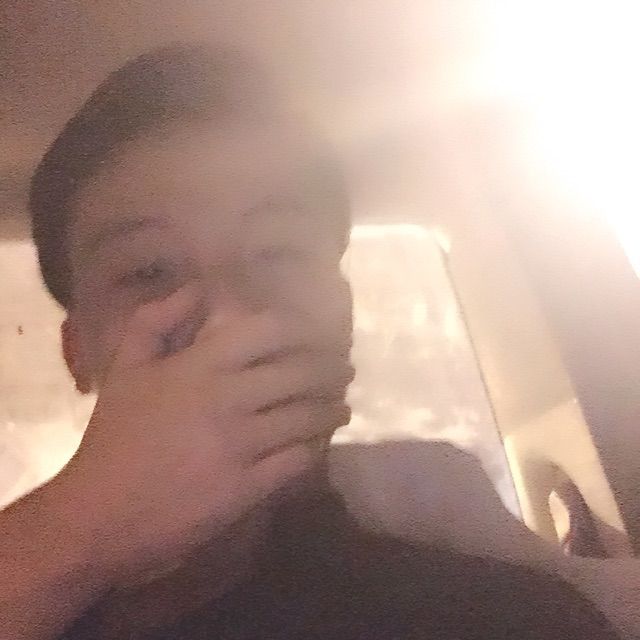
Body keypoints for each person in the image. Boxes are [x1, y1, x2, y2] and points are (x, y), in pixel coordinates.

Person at [0, 43, 620, 640]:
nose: (231, 317)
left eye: (276, 253)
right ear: (76, 353)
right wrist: (75, 527)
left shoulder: (513, 619)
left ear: (341, 314)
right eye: (148, 271)